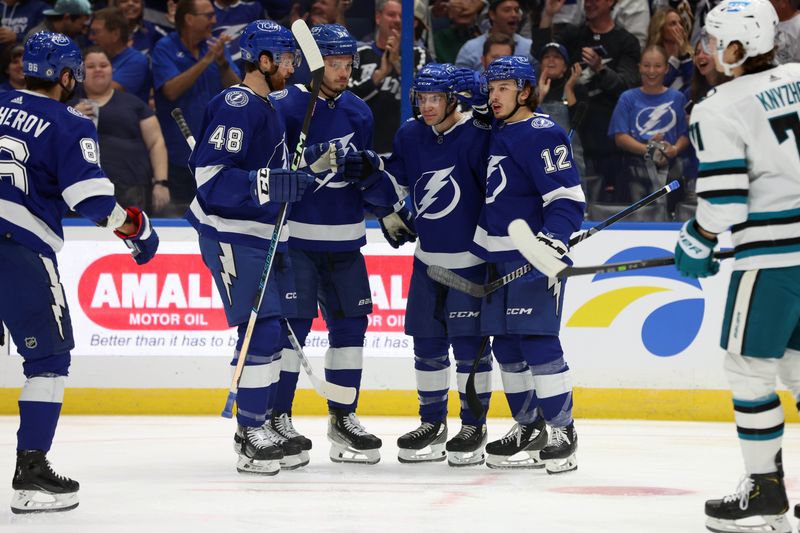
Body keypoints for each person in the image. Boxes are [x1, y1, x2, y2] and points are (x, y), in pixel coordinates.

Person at [0, 31, 159, 514]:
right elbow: (91, 201)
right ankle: (31, 477)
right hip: (18, 246)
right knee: (48, 363)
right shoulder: (67, 121)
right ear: (67, 76)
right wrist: (136, 228)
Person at [672, 1, 800, 531]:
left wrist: (697, 241)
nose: (703, 50)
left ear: (736, 48)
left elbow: (725, 204)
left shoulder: (717, 106)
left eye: (711, 41)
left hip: (773, 260)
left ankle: (765, 493)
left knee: (748, 369)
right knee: (796, 368)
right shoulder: (798, 76)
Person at [186, 20, 324, 476]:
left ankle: (262, 421)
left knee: (272, 334)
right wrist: (268, 182)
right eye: (285, 59)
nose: (291, 67)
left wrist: (296, 177)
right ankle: (250, 433)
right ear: (263, 61)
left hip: (266, 236)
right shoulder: (238, 103)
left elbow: (267, 175)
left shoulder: (268, 108)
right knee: (259, 332)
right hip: (232, 234)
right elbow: (210, 178)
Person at [269, 23, 410, 466]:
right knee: (293, 333)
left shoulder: (358, 112)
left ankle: (343, 419)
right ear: (314, 64)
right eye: (334, 64)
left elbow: (363, 181)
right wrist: (306, 164)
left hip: (347, 242)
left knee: (351, 331)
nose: (344, 72)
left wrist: (373, 181)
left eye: (348, 64)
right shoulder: (282, 108)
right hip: (298, 240)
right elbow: (270, 174)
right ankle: (277, 418)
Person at [387, 63, 508, 467]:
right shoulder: (409, 134)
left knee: (470, 349)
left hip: (469, 264)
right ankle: (432, 422)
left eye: (435, 98)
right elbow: (398, 185)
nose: (427, 106)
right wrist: (387, 205)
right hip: (426, 263)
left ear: (454, 98)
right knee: (427, 346)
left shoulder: (478, 136)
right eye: (421, 98)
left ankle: (474, 424)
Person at [472, 55, 584, 473]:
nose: (494, 96)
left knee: (538, 343)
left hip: (533, 256)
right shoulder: (496, 132)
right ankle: (529, 426)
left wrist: (551, 241)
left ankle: (563, 430)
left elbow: (567, 199)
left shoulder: (542, 132)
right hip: (495, 257)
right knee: (507, 348)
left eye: (503, 88)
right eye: (491, 87)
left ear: (524, 91)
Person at [532, 0, 640, 202]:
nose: (588, 3)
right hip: (573, 127)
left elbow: (627, 86)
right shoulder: (574, 35)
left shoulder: (626, 41)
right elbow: (542, 51)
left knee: (608, 201)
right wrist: (548, 15)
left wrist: (600, 69)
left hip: (607, 135)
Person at [151, 0, 240, 215]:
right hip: (178, 155)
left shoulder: (215, 46)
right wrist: (206, 60)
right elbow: (171, 91)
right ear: (189, 19)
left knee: (216, 216)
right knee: (182, 220)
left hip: (217, 153)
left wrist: (222, 62)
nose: (215, 20)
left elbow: (238, 90)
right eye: (208, 15)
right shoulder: (165, 48)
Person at [71, 47, 169, 214]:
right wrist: (70, 116)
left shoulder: (134, 104)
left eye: (103, 65)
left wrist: (161, 183)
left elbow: (156, 143)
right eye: (91, 66)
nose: (98, 70)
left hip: (132, 191)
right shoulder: (66, 108)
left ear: (112, 69)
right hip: (80, 191)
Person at [608, 45, 689, 203]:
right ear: (639, 68)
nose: (651, 71)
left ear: (666, 68)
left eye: (657, 66)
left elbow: (685, 134)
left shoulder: (678, 98)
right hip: (635, 171)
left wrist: (674, 149)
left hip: (671, 171)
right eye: (646, 65)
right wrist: (649, 150)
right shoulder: (628, 98)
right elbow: (620, 136)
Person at [348, 0, 427, 153]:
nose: (397, 20)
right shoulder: (360, 54)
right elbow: (347, 99)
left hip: (405, 147)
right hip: (364, 147)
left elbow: (423, 97)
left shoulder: (419, 54)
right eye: (391, 15)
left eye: (402, 16)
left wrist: (397, 64)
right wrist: (379, 75)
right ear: (378, 18)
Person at [536, 41, 586, 177]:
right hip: (538, 156)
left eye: (557, 57)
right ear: (540, 65)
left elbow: (581, 125)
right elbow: (524, 120)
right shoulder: (529, 91)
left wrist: (569, 89)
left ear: (565, 66)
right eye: (546, 57)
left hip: (571, 158)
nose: (551, 60)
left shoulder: (577, 89)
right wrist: (540, 96)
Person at [89, 7, 151, 103]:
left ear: (115, 35)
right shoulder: (97, 57)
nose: (91, 37)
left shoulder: (136, 61)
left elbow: (103, 93)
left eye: (96, 32)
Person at [455, 0, 533, 72]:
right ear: (492, 15)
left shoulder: (529, 48)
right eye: (507, 10)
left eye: (516, 10)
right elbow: (459, 83)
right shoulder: (470, 48)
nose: (514, 15)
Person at [647, 8, 693, 96]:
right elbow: (659, 84)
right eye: (673, 24)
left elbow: (692, 80)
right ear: (661, 30)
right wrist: (674, 59)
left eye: (681, 23)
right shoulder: (650, 58)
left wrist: (683, 53)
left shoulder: (690, 55)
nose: (680, 28)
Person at [24, 0, 91, 43]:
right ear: (67, 18)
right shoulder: (38, 39)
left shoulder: (71, 34)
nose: (83, 30)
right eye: (81, 25)